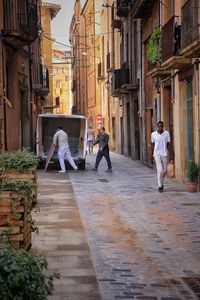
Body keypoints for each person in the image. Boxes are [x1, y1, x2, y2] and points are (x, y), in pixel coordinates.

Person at [151, 121, 171, 192]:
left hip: (164, 153)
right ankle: (159, 186)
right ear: (157, 126)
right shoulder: (153, 134)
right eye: (159, 126)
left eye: (161, 126)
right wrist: (152, 154)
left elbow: (168, 144)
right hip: (157, 154)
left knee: (164, 171)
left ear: (163, 126)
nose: (160, 127)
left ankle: (161, 182)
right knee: (159, 170)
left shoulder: (167, 133)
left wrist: (170, 154)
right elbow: (153, 144)